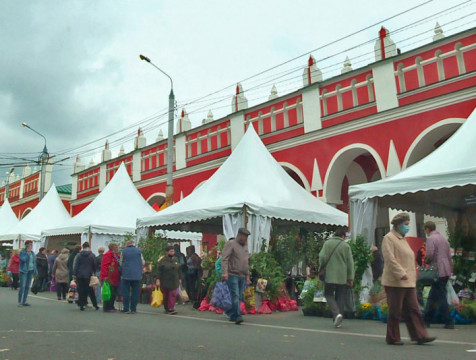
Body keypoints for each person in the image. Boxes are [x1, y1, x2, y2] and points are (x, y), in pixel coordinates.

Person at [382, 213, 435, 345]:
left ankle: (420, 335)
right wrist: (401, 273)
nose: (407, 227)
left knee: (414, 309)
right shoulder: (389, 238)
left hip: (408, 281)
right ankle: (393, 337)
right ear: (398, 225)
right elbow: (389, 259)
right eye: (405, 225)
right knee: (395, 310)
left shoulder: (402, 239)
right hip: (395, 281)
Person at [318, 227, 354, 328]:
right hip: (342, 275)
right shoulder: (346, 246)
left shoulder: (327, 243)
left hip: (329, 274)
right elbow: (350, 263)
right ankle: (338, 319)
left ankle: (336, 313)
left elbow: (321, 257)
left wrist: (321, 267)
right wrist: (350, 277)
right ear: (343, 236)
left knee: (328, 294)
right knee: (340, 296)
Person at [423, 221, 455, 329]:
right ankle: (427, 319)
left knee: (440, 296)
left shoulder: (431, 239)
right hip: (445, 270)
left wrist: (426, 262)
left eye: (425, 230)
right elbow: (449, 256)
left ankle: (448, 320)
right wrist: (450, 270)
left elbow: (430, 254)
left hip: (437, 270)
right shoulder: (443, 239)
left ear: (427, 229)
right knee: (434, 295)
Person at [221, 228, 250, 325]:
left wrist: (247, 276)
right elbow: (224, 258)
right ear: (240, 235)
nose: (246, 239)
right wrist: (224, 272)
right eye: (245, 237)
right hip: (232, 274)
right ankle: (238, 316)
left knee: (240, 296)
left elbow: (246, 262)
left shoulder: (245, 246)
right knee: (235, 295)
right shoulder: (231, 244)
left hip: (242, 275)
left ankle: (231, 314)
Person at [155, 245, 181, 315]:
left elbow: (179, 269)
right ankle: (166, 307)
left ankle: (171, 308)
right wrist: (158, 279)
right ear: (167, 252)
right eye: (171, 251)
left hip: (174, 280)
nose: (172, 253)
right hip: (165, 280)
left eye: (173, 251)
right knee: (166, 295)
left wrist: (180, 278)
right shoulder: (162, 260)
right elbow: (159, 271)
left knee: (172, 294)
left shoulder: (176, 259)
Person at [73, 242, 98, 311]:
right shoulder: (92, 255)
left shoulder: (79, 255)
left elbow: (76, 265)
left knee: (81, 290)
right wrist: (94, 272)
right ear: (89, 247)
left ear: (82, 247)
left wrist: (74, 274)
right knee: (90, 290)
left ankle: (81, 305)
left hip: (80, 274)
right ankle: (95, 305)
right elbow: (94, 265)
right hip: (89, 274)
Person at [121, 241, 144, 314]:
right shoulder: (139, 251)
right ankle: (133, 308)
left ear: (126, 245)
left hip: (126, 274)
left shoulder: (123, 251)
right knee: (135, 292)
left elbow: (121, 262)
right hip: (136, 274)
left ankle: (126, 308)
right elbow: (143, 262)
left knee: (126, 292)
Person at [100, 243, 121, 313]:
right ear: (112, 248)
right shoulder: (108, 255)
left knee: (113, 292)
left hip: (115, 277)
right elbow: (104, 266)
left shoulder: (116, 255)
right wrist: (105, 276)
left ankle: (111, 306)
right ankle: (106, 307)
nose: (117, 248)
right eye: (116, 247)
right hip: (109, 276)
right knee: (108, 292)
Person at [18, 240, 37, 306]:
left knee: (27, 286)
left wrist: (35, 270)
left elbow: (34, 262)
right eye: (29, 245)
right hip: (23, 271)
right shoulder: (22, 252)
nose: (31, 246)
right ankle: (20, 301)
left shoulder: (32, 253)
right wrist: (27, 253)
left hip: (31, 271)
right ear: (26, 245)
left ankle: (24, 301)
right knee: (22, 286)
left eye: (31, 245)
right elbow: (23, 260)